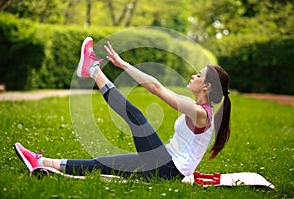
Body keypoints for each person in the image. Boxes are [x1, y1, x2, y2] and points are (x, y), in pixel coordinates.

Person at [14, 37, 231, 180]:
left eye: (199, 75)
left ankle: (92, 69)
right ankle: (41, 162)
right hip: (164, 164)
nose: (194, 76)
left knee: (136, 117)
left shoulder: (202, 114)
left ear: (207, 86)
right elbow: (156, 87)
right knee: (105, 164)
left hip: (169, 171)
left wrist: (125, 65)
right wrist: (125, 65)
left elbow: (156, 88)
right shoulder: (197, 108)